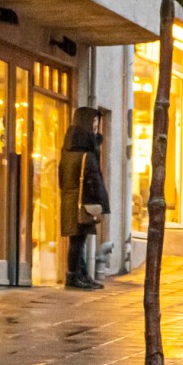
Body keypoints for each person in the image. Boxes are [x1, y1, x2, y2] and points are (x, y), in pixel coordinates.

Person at [57, 108, 111, 289]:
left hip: (70, 201)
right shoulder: (87, 155)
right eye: (94, 126)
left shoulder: (67, 151)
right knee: (77, 242)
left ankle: (80, 274)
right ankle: (73, 276)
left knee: (77, 240)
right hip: (82, 202)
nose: (96, 130)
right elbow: (95, 182)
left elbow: (61, 179)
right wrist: (103, 204)